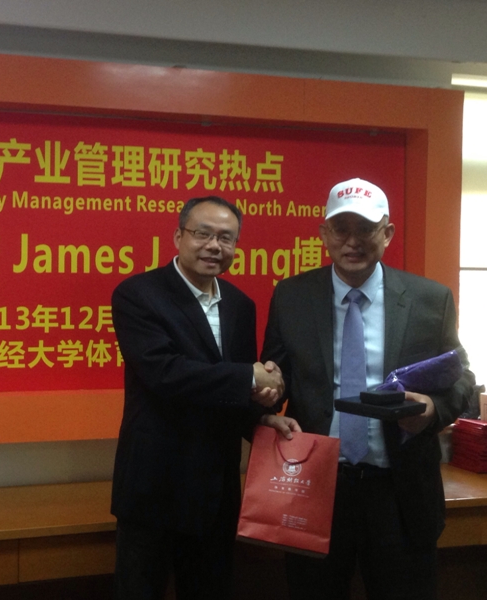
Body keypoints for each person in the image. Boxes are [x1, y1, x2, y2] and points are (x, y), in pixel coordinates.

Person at [261, 178, 476, 600]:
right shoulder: (292, 296)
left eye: (366, 229)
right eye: (341, 229)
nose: (352, 241)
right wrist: (265, 394)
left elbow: (461, 378)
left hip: (400, 492)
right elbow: (276, 376)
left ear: (387, 233)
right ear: (324, 234)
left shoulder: (430, 299)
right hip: (315, 488)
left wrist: (433, 409)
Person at [110, 195, 289, 600]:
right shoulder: (138, 294)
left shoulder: (240, 305)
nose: (214, 246)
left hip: (215, 488)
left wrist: (261, 415)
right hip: (154, 483)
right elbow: (164, 373)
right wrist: (249, 376)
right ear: (179, 237)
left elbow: (233, 393)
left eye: (226, 238)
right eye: (203, 234)